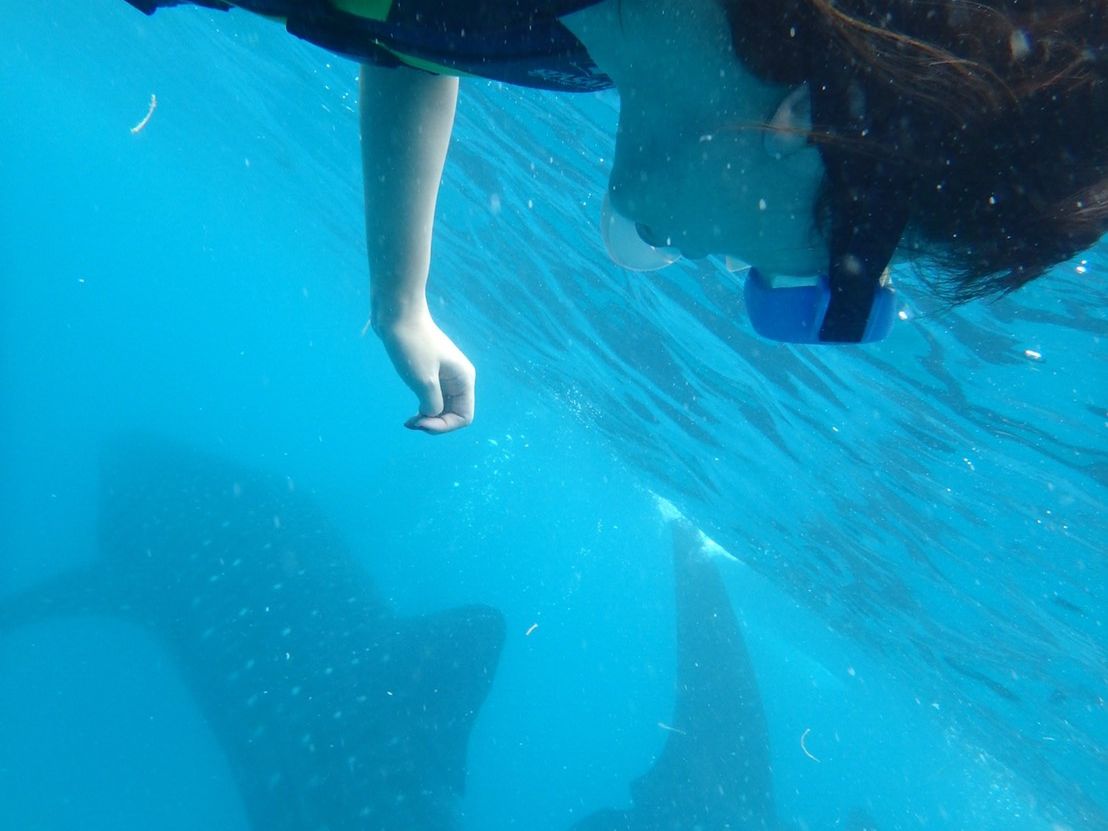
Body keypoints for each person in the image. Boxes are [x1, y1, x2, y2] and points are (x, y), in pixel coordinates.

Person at [126, 1, 1108, 433]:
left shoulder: (601, 47)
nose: (731, 271)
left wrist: (401, 301)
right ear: (802, 130)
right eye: (807, 290)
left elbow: (416, 39)